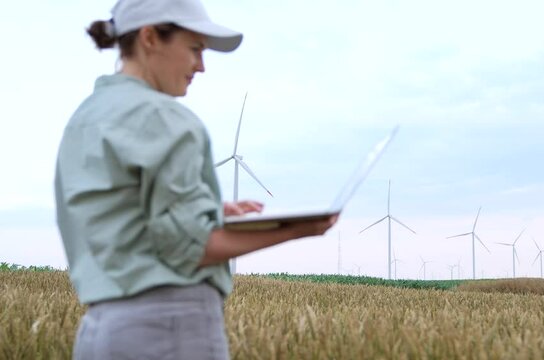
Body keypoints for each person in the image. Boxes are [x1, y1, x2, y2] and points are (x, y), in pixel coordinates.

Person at [54, 0, 338, 359]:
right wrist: (296, 230)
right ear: (150, 37)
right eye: (195, 49)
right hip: (169, 329)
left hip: (102, 331)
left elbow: (125, 219)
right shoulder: (164, 117)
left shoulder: (86, 117)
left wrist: (207, 211)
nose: (201, 66)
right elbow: (191, 248)